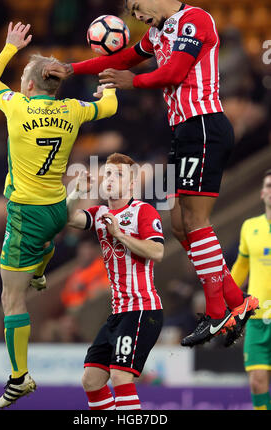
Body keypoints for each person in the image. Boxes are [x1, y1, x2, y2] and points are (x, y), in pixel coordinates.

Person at [42, 0, 258, 347]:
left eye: (137, 9)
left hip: (204, 124)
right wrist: (71, 69)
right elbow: (126, 56)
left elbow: (173, 72)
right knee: (179, 225)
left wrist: (131, 83)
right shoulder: (158, 33)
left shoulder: (196, 20)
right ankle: (238, 302)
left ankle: (217, 311)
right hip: (184, 132)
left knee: (195, 221)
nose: (137, 18)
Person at [0, 21, 118, 408]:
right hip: (59, 209)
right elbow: (109, 106)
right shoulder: (72, 110)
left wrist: (9, 48)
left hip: (27, 214)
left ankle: (19, 378)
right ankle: (41, 267)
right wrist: (107, 80)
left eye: (23, 75)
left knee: (11, 297)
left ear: (28, 85)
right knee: (39, 259)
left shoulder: (16, 107)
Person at [67, 152, 164, 410]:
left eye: (118, 175)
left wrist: (119, 234)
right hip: (117, 313)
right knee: (91, 380)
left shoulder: (142, 210)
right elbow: (67, 218)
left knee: (121, 375)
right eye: (108, 173)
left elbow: (157, 251)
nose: (110, 179)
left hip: (143, 309)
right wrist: (75, 193)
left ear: (131, 184)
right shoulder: (99, 213)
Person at [230, 169, 271, 410]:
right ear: (262, 193)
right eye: (268, 185)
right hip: (257, 318)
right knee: (257, 381)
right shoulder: (249, 227)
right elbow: (241, 266)